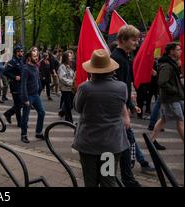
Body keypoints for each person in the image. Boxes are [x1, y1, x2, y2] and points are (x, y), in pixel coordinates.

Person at [72, 49, 130, 187]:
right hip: (111, 143)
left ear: (92, 70)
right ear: (111, 70)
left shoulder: (85, 88)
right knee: (108, 180)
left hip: (88, 143)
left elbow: (77, 108)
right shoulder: (122, 87)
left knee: (90, 181)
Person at [110, 25, 153, 186]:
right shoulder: (118, 59)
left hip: (121, 110)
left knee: (126, 144)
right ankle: (126, 179)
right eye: (134, 40)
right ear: (122, 40)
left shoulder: (124, 57)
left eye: (137, 39)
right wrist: (125, 113)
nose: (137, 42)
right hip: (117, 113)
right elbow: (117, 89)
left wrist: (131, 104)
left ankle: (120, 177)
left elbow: (124, 87)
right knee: (125, 145)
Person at [150, 43, 184, 149]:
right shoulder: (167, 66)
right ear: (172, 51)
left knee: (163, 119)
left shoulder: (171, 64)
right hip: (171, 98)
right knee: (180, 121)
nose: (180, 51)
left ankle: (152, 141)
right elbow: (162, 82)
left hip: (172, 97)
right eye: (178, 50)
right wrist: (174, 90)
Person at [20, 48, 45, 143]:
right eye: (34, 56)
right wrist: (25, 98)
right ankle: (24, 135)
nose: (37, 57)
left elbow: (37, 80)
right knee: (25, 116)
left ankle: (38, 132)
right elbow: (23, 85)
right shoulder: (26, 69)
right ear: (29, 57)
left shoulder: (35, 67)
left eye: (37, 56)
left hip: (35, 95)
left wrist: (40, 88)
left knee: (42, 112)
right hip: (29, 96)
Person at [3, 44, 24, 126]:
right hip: (15, 85)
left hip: (21, 85)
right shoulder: (12, 61)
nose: (22, 53)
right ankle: (20, 122)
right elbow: (5, 72)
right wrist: (14, 77)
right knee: (18, 104)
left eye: (22, 51)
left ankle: (8, 113)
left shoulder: (20, 61)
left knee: (20, 103)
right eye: (21, 51)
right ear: (16, 52)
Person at [58, 51, 75, 123]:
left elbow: (72, 75)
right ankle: (69, 120)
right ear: (66, 58)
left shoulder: (70, 66)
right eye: (69, 56)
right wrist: (72, 83)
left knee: (71, 104)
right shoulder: (62, 66)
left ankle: (62, 112)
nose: (71, 57)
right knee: (68, 105)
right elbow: (62, 78)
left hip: (70, 88)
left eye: (71, 56)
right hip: (65, 89)